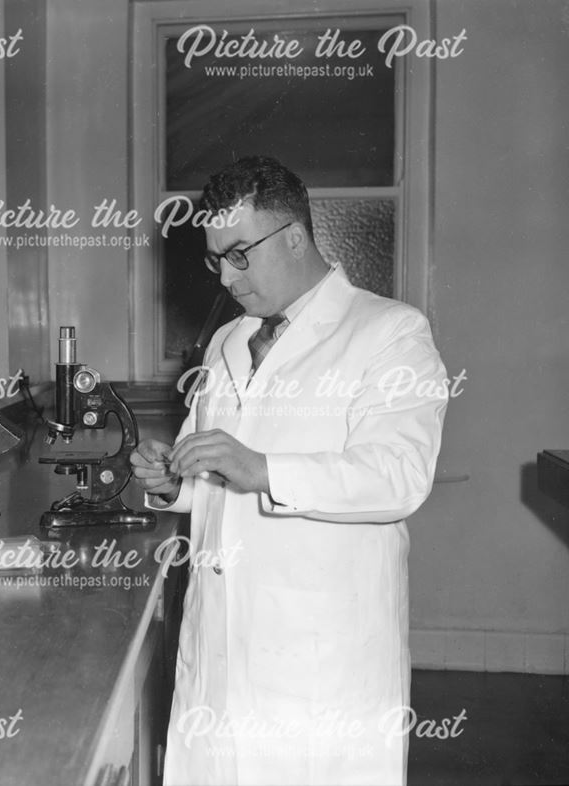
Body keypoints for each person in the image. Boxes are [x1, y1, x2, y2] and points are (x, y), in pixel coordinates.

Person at [131, 156, 447, 785]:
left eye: (239, 254)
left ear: (295, 236)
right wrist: (175, 481)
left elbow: (399, 475)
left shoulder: (388, 331)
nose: (225, 275)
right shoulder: (227, 341)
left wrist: (263, 470)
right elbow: (215, 477)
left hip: (318, 651)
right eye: (215, 258)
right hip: (221, 637)